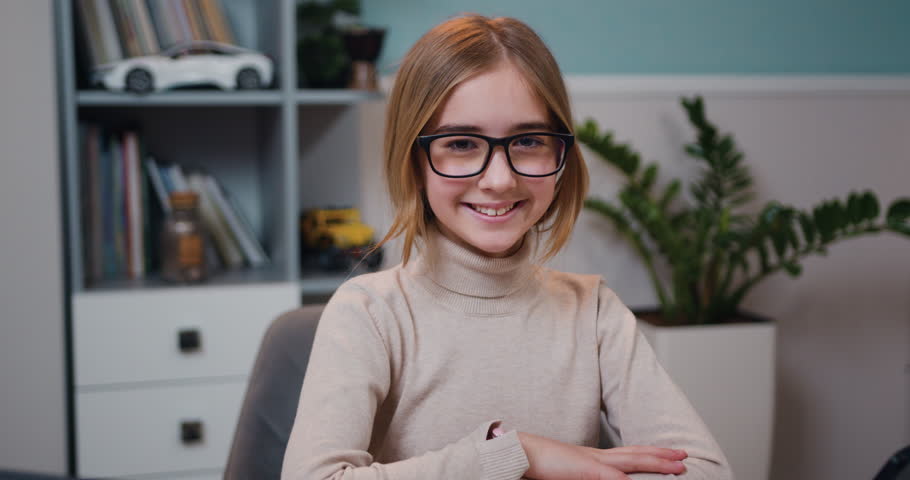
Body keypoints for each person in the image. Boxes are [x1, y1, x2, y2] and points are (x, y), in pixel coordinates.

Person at [281, 14, 732, 480]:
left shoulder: (595, 312)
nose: (500, 179)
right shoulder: (369, 314)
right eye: (460, 143)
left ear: (562, 156)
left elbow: (707, 471)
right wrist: (514, 455)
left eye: (530, 140)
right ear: (413, 160)